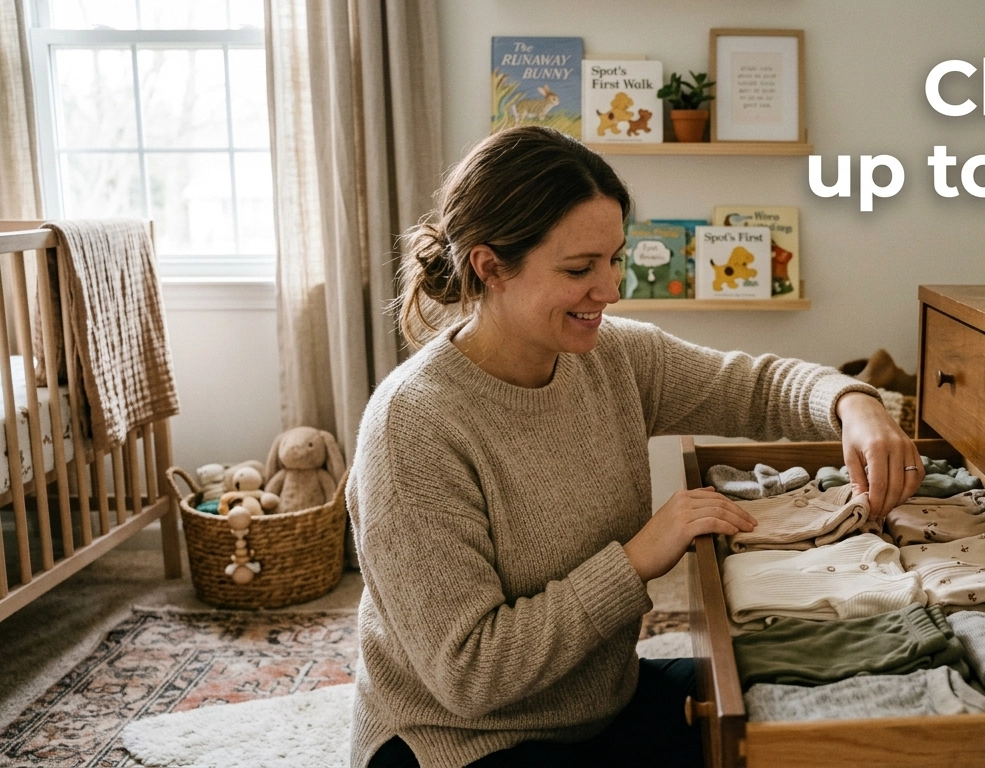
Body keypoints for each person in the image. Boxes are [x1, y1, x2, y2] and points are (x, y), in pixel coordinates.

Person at [350, 126, 925, 768]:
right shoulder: (413, 426)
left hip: (600, 706)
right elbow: (472, 674)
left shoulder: (614, 357)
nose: (611, 290)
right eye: (579, 269)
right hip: (458, 743)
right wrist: (639, 557)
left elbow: (754, 386)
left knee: (801, 712)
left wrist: (854, 403)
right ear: (490, 267)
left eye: (615, 259)